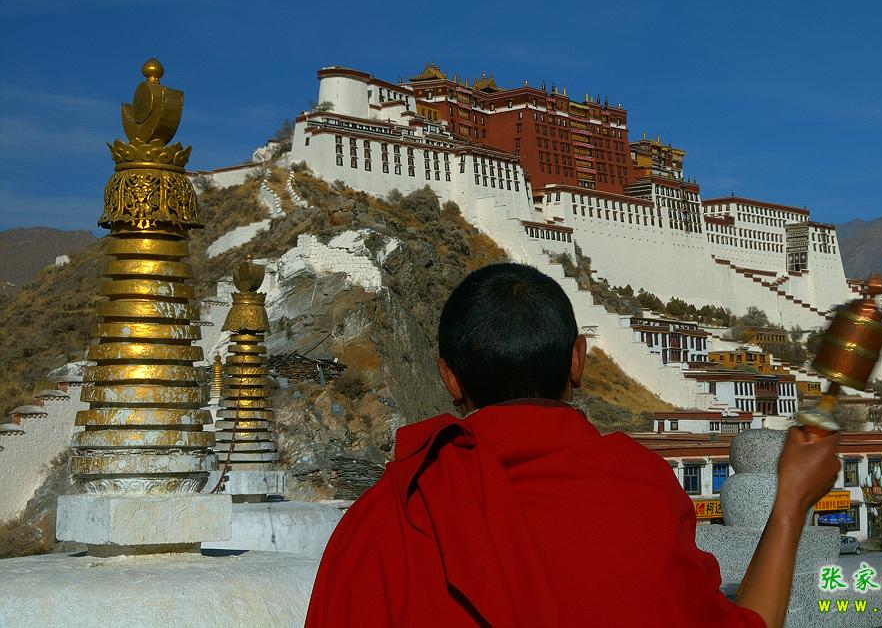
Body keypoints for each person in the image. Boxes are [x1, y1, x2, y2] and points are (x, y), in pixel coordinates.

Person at [306, 263, 840, 628]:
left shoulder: (382, 519)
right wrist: (790, 502)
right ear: (577, 360)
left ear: (449, 377)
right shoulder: (640, 492)